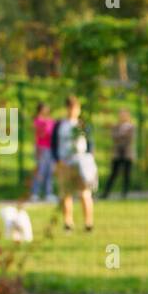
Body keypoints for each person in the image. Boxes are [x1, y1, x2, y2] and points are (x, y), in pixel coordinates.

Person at [54, 96, 95, 232]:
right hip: (65, 163)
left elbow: (90, 145)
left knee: (84, 193)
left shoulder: (82, 125)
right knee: (66, 194)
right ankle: (68, 222)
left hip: (81, 163)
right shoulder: (60, 125)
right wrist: (57, 161)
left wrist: (88, 161)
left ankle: (88, 222)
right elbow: (54, 144)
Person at [101, 108, 137, 199]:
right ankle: (106, 193)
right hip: (117, 153)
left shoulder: (131, 127)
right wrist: (122, 136)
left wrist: (120, 137)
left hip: (127, 153)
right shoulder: (116, 126)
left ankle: (125, 193)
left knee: (126, 175)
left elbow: (130, 139)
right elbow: (113, 137)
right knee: (113, 174)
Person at [29, 102, 56, 202]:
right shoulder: (38, 121)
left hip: (50, 149)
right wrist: (37, 149)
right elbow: (37, 135)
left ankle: (48, 193)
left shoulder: (50, 121)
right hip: (41, 148)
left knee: (49, 172)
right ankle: (35, 193)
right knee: (40, 171)